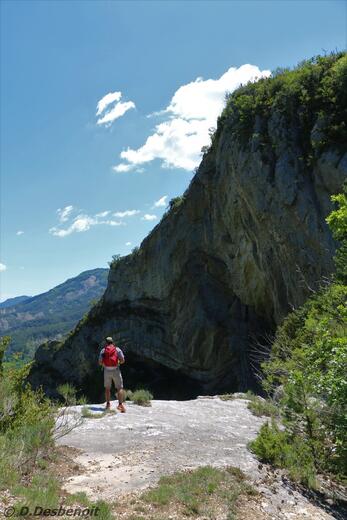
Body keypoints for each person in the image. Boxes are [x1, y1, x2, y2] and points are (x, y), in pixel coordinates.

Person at [98, 336, 126, 412]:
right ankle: (120, 405)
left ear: (106, 343)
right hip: (116, 370)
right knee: (119, 388)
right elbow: (123, 360)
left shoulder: (103, 351)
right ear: (112, 342)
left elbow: (100, 362)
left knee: (107, 388)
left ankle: (108, 404)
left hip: (107, 371)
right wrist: (118, 362)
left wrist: (104, 364)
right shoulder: (117, 349)